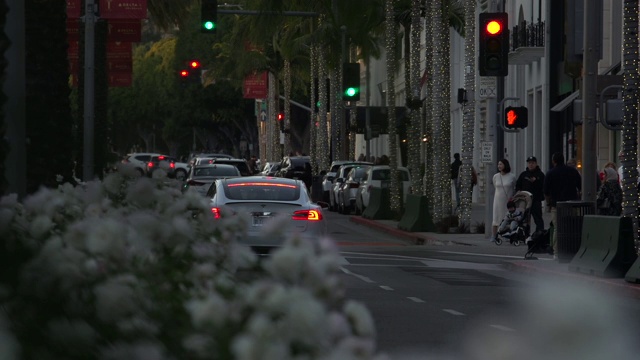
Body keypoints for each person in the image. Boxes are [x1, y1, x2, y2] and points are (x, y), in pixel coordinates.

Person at [543, 152, 582, 259]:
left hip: (557, 204)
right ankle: (571, 250)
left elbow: (546, 191)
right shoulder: (573, 171)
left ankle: (557, 252)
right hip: (571, 204)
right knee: (571, 227)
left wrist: (548, 203)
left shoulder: (550, 173)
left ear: (554, 161)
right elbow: (580, 186)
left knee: (557, 228)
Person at [515, 156, 545, 233]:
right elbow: (518, 185)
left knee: (538, 218)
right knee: (523, 218)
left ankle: (540, 233)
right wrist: (518, 192)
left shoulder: (540, 175)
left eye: (532, 163)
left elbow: (544, 186)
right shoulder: (524, 174)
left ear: (536, 164)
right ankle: (524, 234)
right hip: (525, 200)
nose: (531, 165)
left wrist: (536, 181)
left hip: (536, 200)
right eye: (529, 163)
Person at [491, 159, 516, 242]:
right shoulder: (496, 176)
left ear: (505, 165)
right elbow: (495, 186)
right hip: (497, 200)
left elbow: (514, 188)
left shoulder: (512, 176)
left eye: (501, 164)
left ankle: (507, 234)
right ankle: (494, 235)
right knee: (496, 217)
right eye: (498, 164)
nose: (499, 166)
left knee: (507, 217)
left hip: (507, 200)